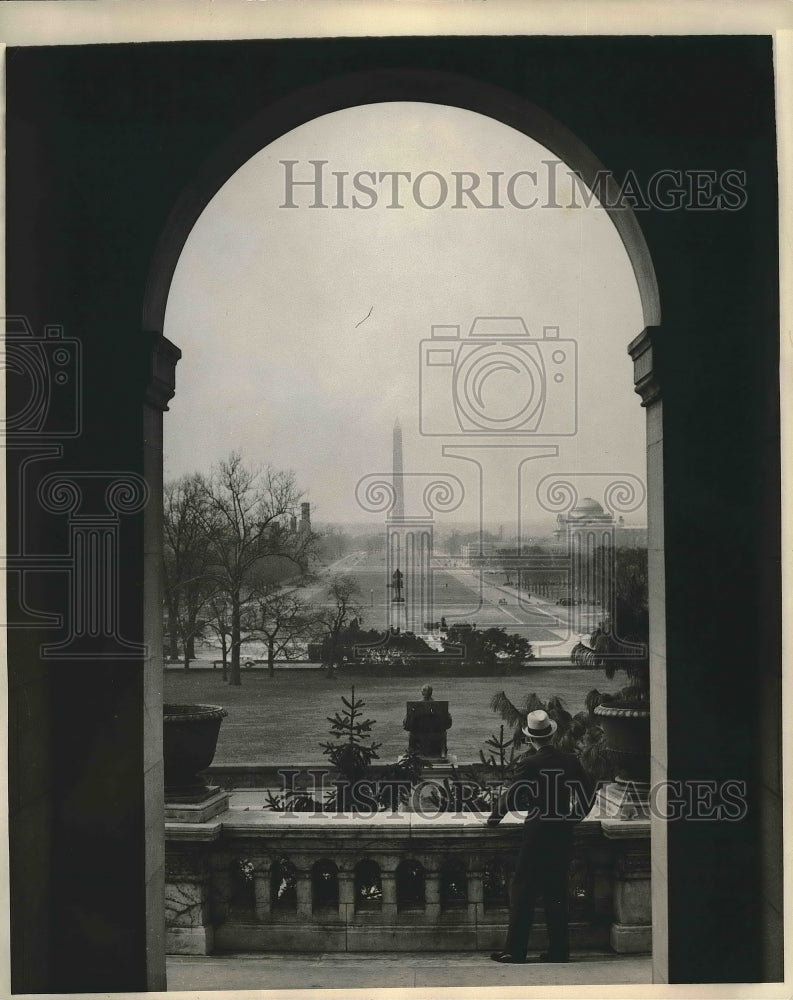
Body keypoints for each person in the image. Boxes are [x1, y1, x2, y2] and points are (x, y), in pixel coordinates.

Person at [487, 709, 596, 965]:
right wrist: (572, 818)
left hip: (536, 833)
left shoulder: (529, 763)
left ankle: (515, 951)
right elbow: (588, 797)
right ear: (552, 734)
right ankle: (559, 951)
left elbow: (512, 797)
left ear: (529, 738)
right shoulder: (571, 760)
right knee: (556, 891)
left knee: (523, 889)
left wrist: (493, 819)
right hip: (562, 833)